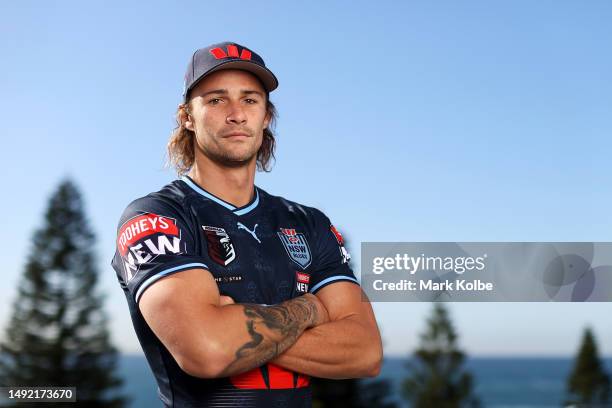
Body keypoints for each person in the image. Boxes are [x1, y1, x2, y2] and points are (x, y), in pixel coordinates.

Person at [111, 41, 382, 408]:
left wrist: (232, 328)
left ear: (266, 115)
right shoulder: (157, 216)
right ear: (187, 117)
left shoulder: (308, 223)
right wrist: (310, 310)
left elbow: (365, 352)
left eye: (250, 100)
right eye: (216, 100)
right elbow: (206, 350)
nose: (237, 114)